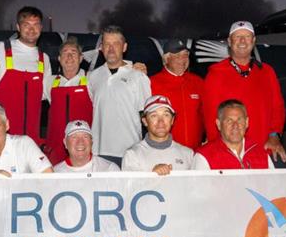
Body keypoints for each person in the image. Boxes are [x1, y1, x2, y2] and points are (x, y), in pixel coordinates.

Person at [203, 20, 286, 164]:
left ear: (253, 41)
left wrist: (274, 136)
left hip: (263, 149)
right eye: (237, 37)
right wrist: (218, 150)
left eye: (247, 37)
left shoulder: (267, 72)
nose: (242, 41)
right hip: (230, 152)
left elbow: (277, 107)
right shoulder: (216, 73)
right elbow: (211, 116)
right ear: (229, 41)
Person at [87, 25, 151, 167]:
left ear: (124, 47)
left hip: (129, 151)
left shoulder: (138, 76)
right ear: (101, 48)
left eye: (116, 43)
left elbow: (147, 115)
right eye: (107, 44)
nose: (111, 49)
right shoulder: (92, 77)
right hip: (99, 151)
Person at [0, 6, 52, 143]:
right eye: (26, 25)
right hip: (1, 137)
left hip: (30, 139)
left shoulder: (44, 59)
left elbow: (48, 95)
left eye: (35, 25)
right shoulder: (1, 49)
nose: (31, 29)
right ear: (18, 27)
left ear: (41, 28)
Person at [44, 37, 93, 165]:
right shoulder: (49, 81)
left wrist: (132, 66)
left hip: (81, 147)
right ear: (59, 59)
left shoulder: (92, 78)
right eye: (65, 53)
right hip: (55, 148)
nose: (69, 56)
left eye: (74, 52)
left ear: (81, 58)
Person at [150, 38, 205, 149]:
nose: (182, 60)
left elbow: (206, 114)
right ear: (166, 59)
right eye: (176, 56)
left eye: (185, 55)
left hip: (195, 151)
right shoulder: (152, 83)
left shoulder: (198, 82)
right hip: (165, 151)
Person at [122, 95, 195, 174]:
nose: (161, 121)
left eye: (166, 115)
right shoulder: (132, 155)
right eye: (154, 115)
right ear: (145, 121)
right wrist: (152, 175)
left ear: (172, 120)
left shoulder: (188, 154)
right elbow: (130, 186)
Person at [193, 99, 274, 170]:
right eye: (229, 121)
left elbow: (274, 186)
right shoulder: (204, 156)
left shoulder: (262, 155)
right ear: (218, 124)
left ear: (246, 123)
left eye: (239, 120)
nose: (235, 126)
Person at [52, 120, 119, 173]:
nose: (80, 142)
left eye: (85, 137)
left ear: (91, 142)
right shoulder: (55, 174)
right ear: (65, 143)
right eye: (74, 137)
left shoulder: (109, 170)